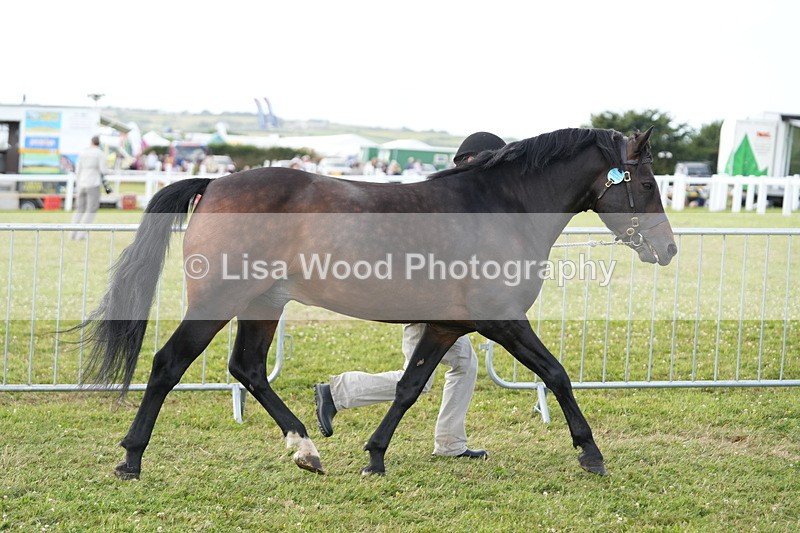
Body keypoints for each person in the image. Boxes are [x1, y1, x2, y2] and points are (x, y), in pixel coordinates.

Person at [314, 131, 507, 459]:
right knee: (419, 378)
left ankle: (450, 443)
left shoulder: (456, 196)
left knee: (464, 364)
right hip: (426, 302)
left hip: (434, 301)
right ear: (474, 163)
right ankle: (337, 392)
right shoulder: (451, 199)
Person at [70, 135, 109, 241]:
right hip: (93, 183)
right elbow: (103, 170)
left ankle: (72, 233)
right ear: (98, 143)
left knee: (79, 209)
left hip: (82, 182)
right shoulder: (99, 153)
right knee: (91, 210)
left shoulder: (83, 152)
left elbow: (78, 169)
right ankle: (81, 235)